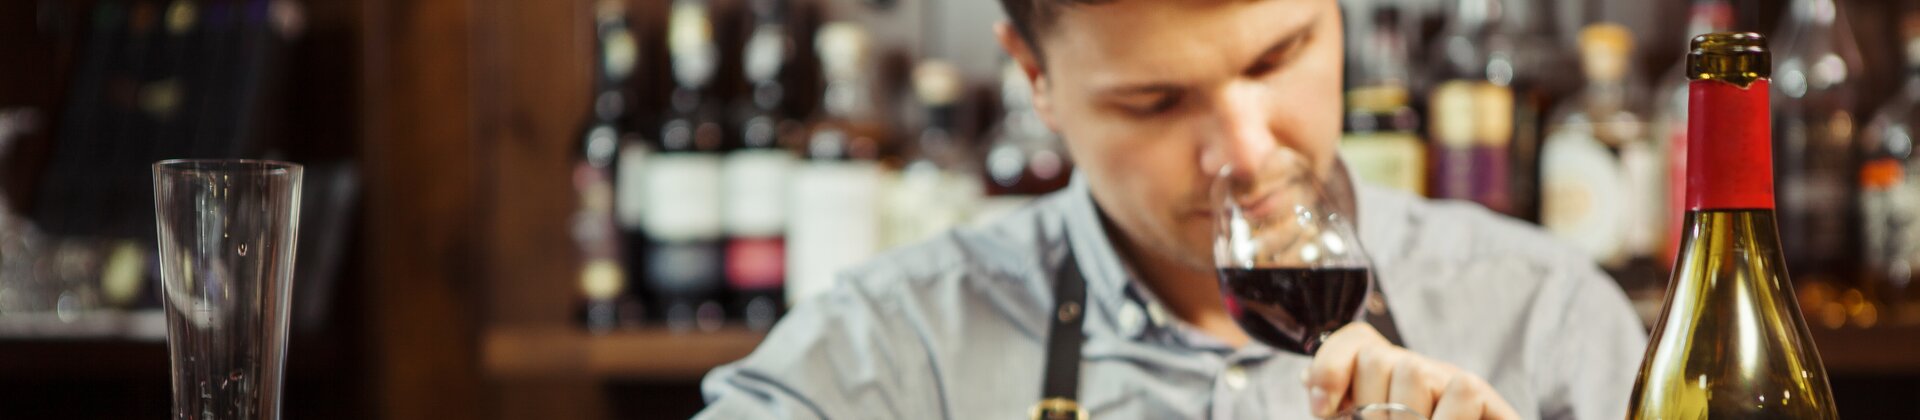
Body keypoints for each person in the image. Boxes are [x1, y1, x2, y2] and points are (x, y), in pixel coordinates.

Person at [695, 0, 1646, 418]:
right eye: (1154, 102)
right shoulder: (894, 349)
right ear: (1037, 79)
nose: (1245, 150)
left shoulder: (1549, 317)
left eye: (1279, 55)